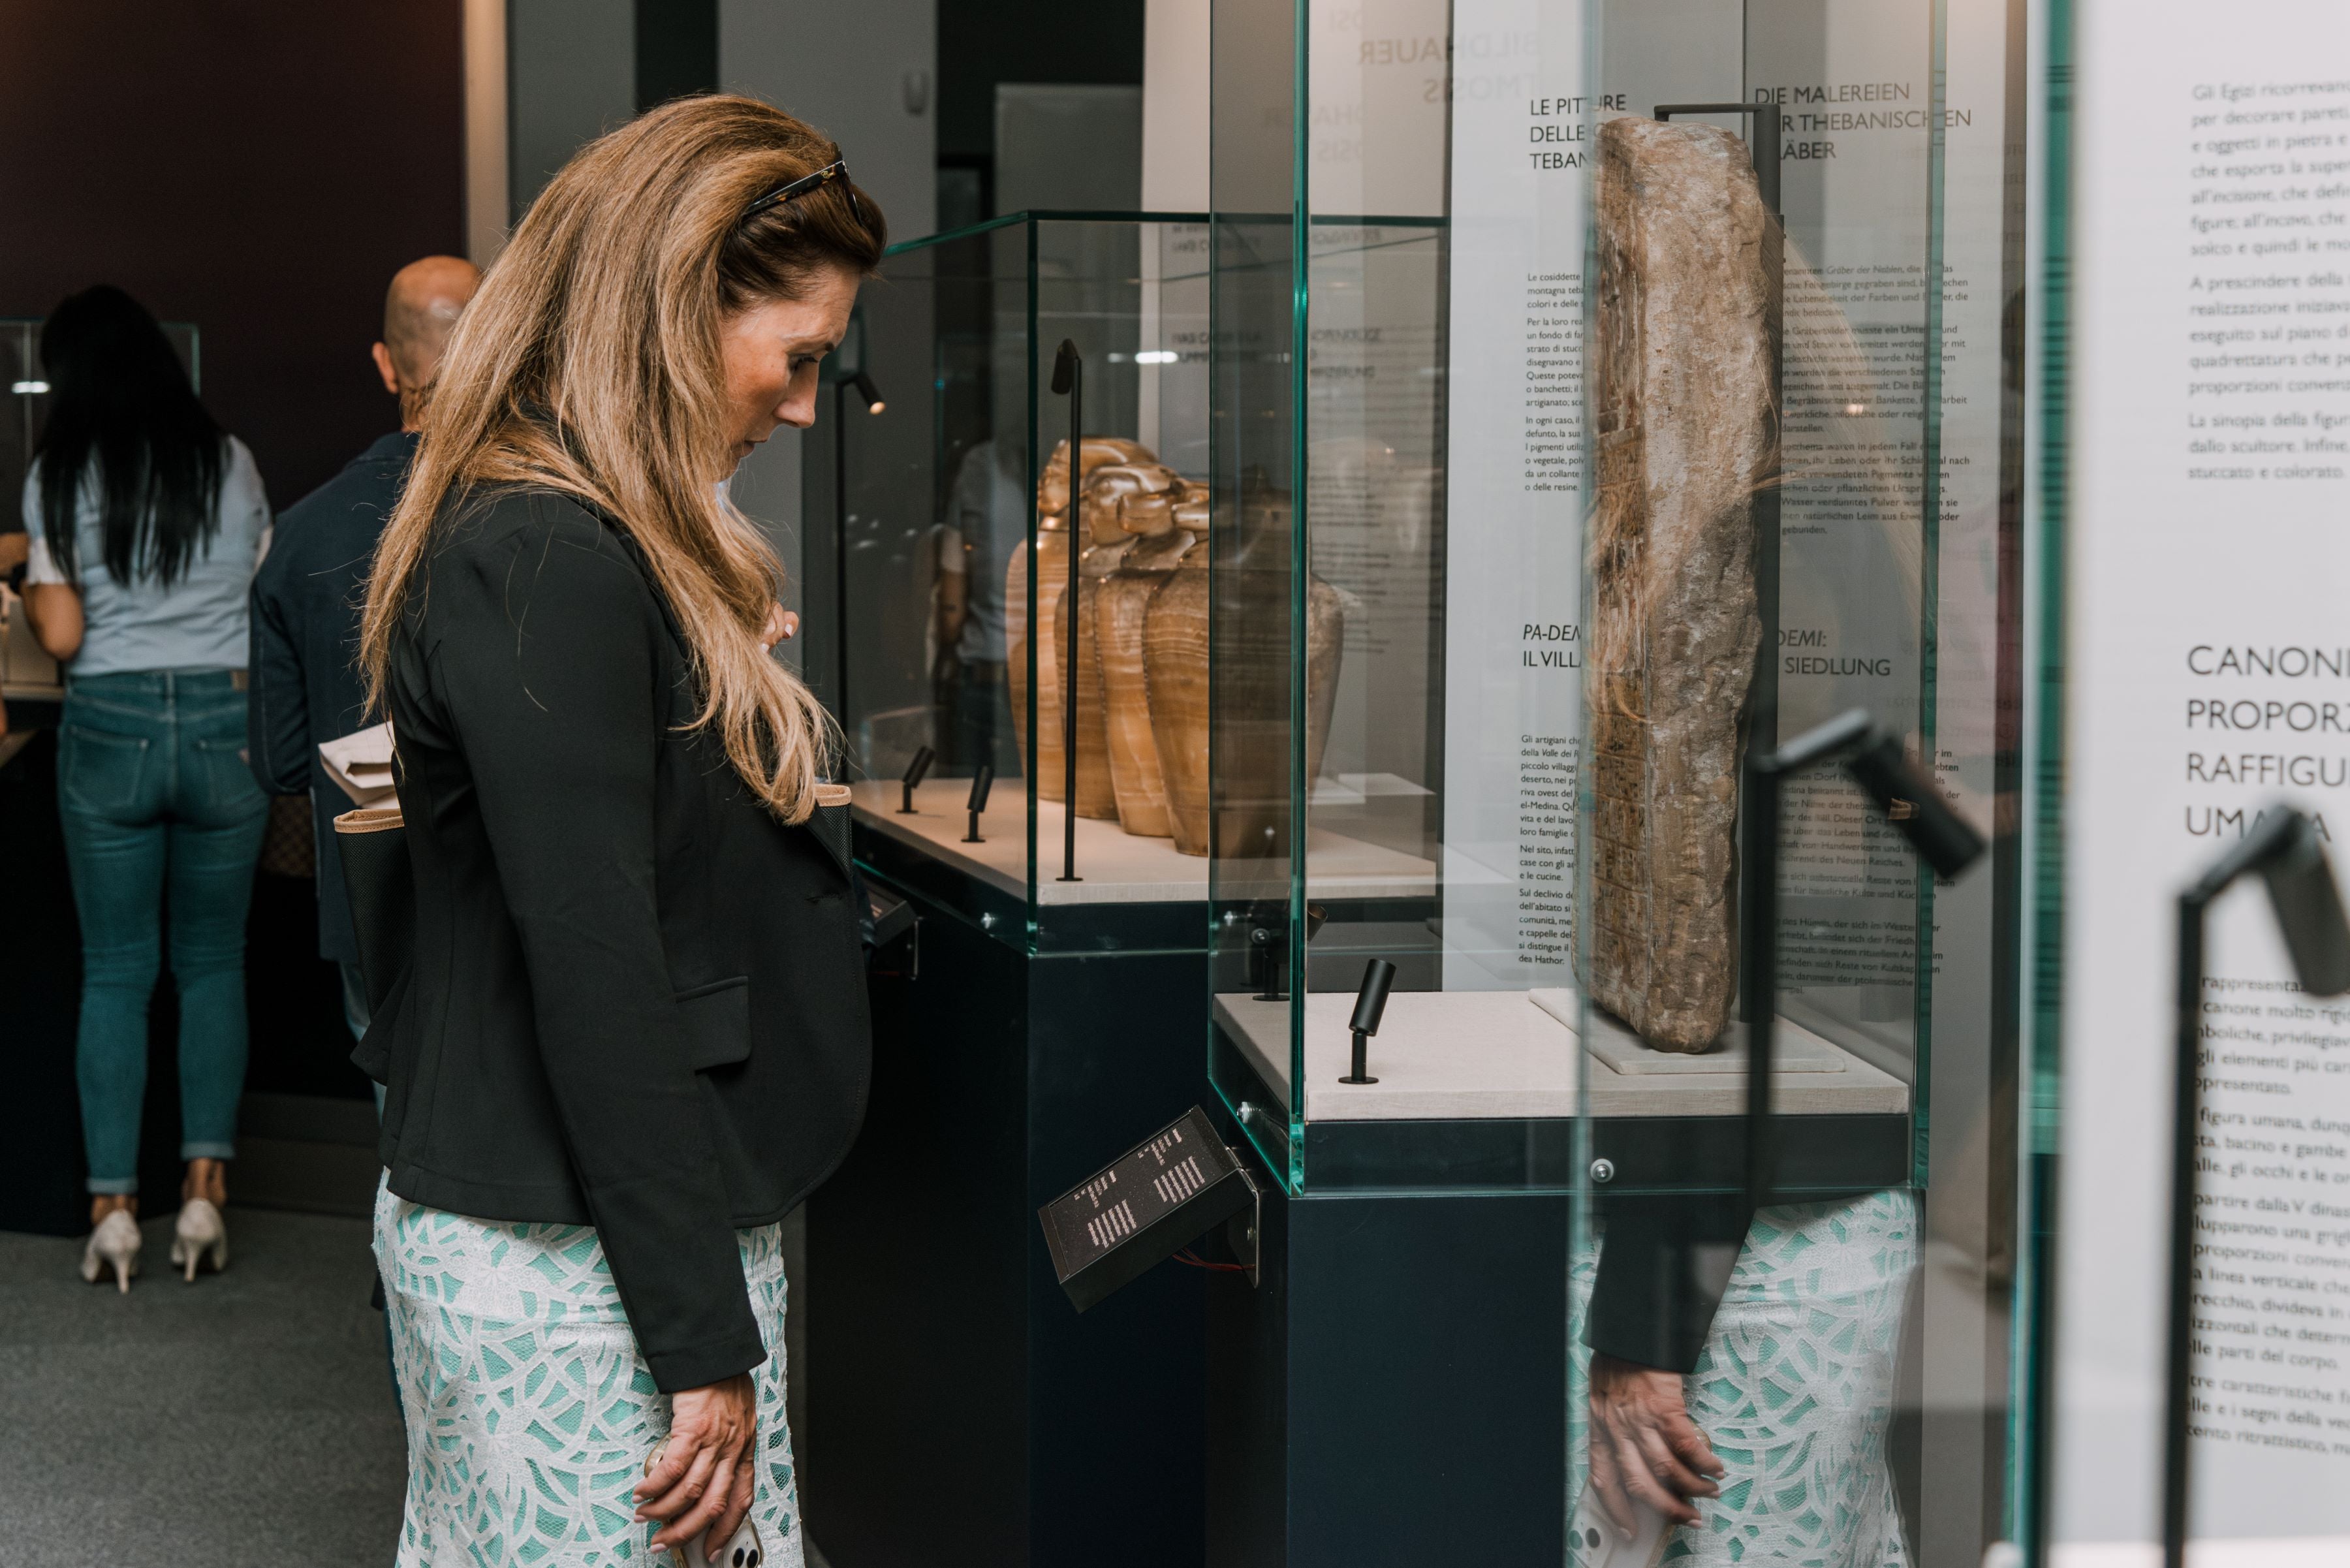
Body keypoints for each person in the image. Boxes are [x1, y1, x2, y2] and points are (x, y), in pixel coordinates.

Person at [355, 95, 882, 1567]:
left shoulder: (573, 541)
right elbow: (600, 969)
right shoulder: (547, 557)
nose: (799, 406)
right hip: (579, 1266)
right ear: (673, 307)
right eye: (800, 358)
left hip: (607, 1241)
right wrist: (702, 1337)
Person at [19, 285, 272, 1291]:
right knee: (213, 962)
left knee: (116, 973)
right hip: (225, 724)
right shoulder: (232, 459)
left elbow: (67, 636)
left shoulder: (59, 472)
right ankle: (204, 1191)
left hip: (112, 728)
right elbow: (263, 596)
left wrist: (39, 591)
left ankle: (114, 1209)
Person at [248, 254, 480, 1050]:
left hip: (369, 899)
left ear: (385, 365)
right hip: (506, 891)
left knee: (399, 1136)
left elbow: (280, 762)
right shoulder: (536, 513)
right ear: (493, 346)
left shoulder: (300, 535)